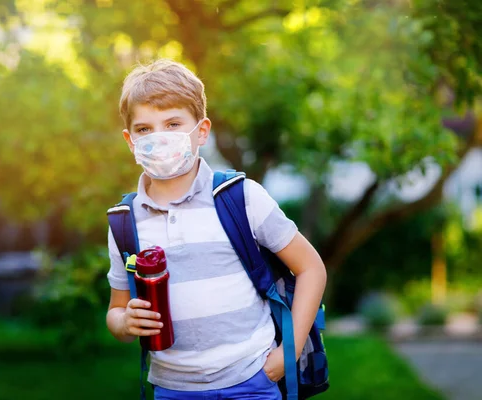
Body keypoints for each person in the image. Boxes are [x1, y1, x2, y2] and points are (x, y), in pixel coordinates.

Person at [105, 59, 327, 400]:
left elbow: (311, 267)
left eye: (173, 124)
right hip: (173, 389)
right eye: (145, 129)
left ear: (202, 131)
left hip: (252, 379)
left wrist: (289, 351)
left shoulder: (242, 197)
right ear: (129, 139)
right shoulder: (124, 221)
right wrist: (124, 323)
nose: (159, 137)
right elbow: (116, 311)